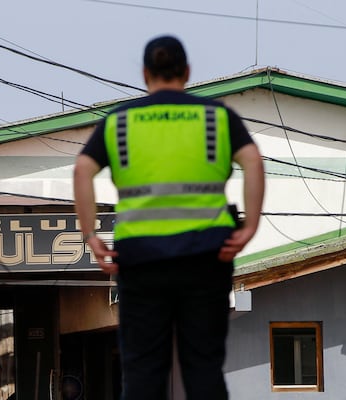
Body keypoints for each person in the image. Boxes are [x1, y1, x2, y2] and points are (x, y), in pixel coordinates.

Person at [73, 35, 264, 400]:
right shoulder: (216, 116)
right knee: (203, 366)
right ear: (187, 72)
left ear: (145, 74)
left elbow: (83, 169)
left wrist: (90, 236)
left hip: (141, 258)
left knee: (144, 370)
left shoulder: (120, 121)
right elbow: (253, 160)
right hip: (208, 254)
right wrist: (250, 224)